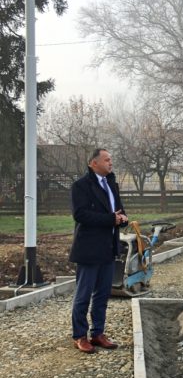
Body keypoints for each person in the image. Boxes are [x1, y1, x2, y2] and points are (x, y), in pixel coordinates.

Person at [69, 148, 128, 354]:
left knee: (103, 294)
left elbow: (118, 210)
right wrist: (111, 219)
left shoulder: (112, 184)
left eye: (111, 159)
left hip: (108, 247)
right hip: (88, 249)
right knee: (83, 295)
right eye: (107, 160)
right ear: (93, 163)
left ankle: (98, 333)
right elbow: (81, 214)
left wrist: (123, 219)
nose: (111, 163)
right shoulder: (81, 186)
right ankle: (80, 336)